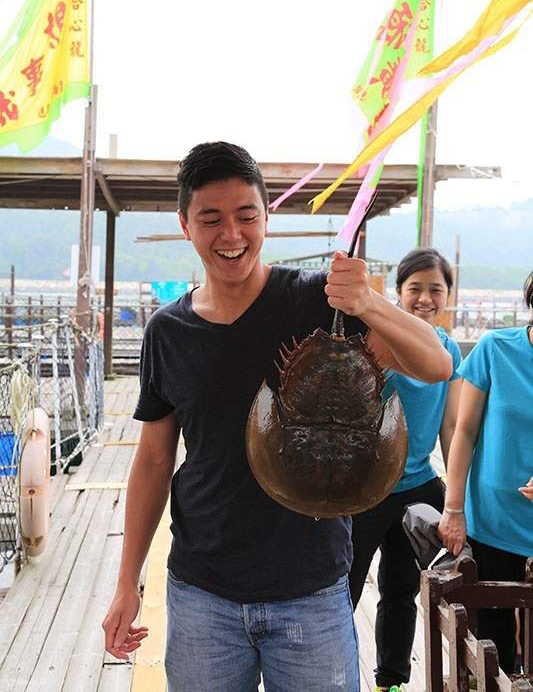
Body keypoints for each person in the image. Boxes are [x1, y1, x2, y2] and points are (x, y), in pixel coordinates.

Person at [102, 142, 452, 692]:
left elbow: (436, 365)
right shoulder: (167, 332)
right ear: (185, 225)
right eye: (211, 219)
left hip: (312, 588)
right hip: (202, 591)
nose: (232, 234)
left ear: (268, 216)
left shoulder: (322, 301)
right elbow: (152, 461)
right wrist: (128, 582)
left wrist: (369, 302)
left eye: (246, 215)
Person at [349, 247, 462, 692]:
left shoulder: (449, 350)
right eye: (415, 289)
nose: (425, 299)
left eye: (436, 289)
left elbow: (451, 426)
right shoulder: (378, 341)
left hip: (419, 489)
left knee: (401, 592)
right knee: (343, 587)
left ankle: (391, 682)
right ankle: (335, 673)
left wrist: (456, 497)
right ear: (398, 292)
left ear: (449, 294)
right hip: (365, 490)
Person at [438, 270, 533, 676]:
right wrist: (453, 509)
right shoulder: (496, 348)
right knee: (493, 644)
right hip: (493, 521)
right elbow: (464, 432)